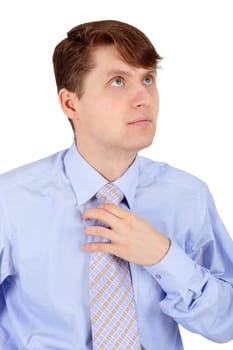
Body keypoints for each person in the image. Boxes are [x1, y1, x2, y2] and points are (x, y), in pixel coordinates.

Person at [0, 19, 233, 350]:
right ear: (70, 103)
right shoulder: (10, 201)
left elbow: (226, 321)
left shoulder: (187, 196)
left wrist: (163, 256)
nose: (144, 99)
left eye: (148, 78)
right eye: (118, 81)